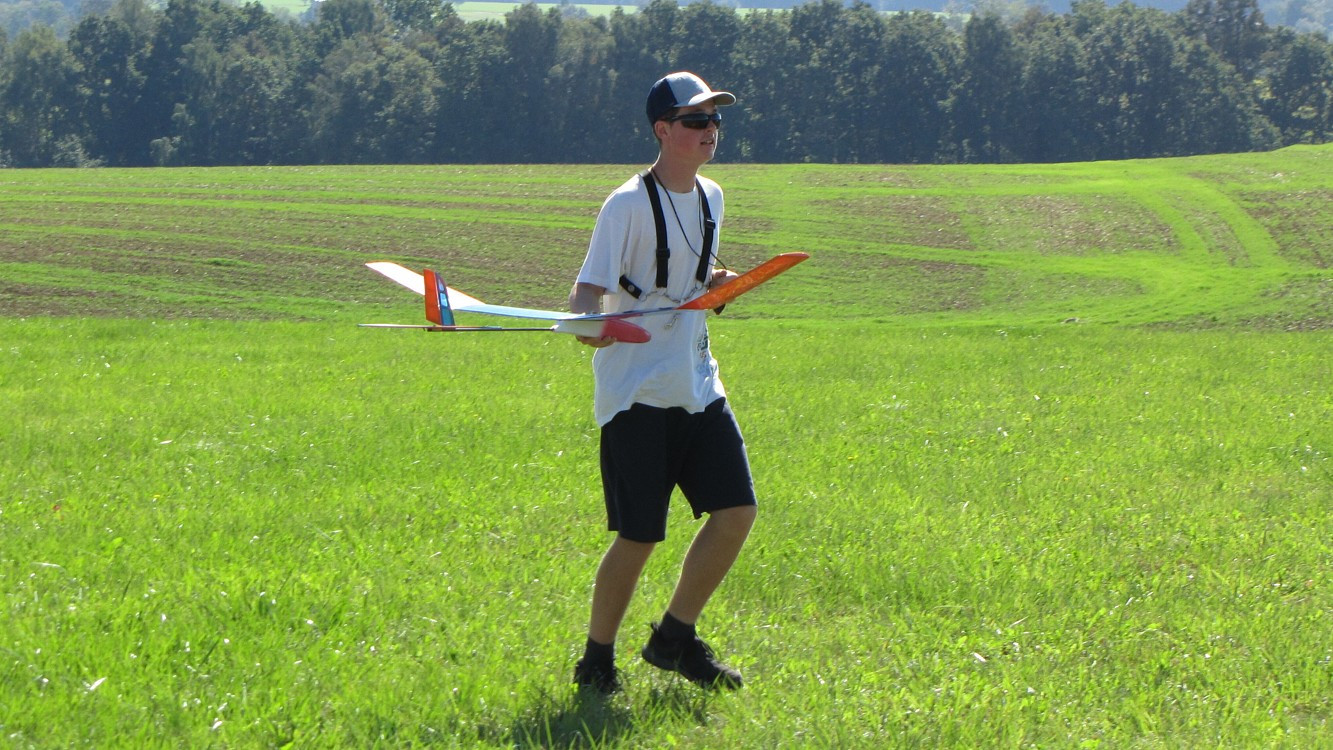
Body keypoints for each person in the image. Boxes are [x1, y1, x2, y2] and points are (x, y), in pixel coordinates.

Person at [568, 72, 757, 694]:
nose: (711, 131)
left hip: (698, 383)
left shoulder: (713, 198)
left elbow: (693, 282)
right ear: (663, 130)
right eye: (697, 121)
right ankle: (597, 660)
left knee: (736, 512)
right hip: (637, 393)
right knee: (640, 535)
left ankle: (674, 638)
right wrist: (591, 328)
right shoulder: (625, 205)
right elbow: (585, 294)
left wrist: (719, 289)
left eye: (715, 120)